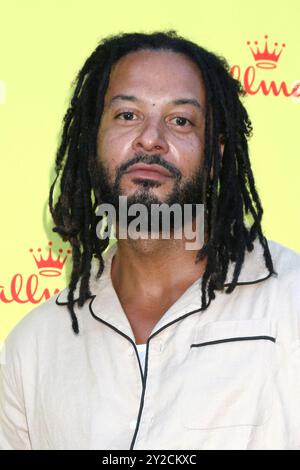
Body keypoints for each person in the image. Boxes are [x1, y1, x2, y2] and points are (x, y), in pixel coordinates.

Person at [1, 30, 300, 451]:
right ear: (92, 145)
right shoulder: (32, 348)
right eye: (127, 115)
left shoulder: (291, 305)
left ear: (214, 156)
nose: (151, 138)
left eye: (181, 120)